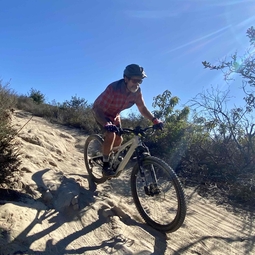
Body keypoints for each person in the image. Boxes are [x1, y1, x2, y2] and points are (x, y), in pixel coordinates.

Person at [92, 64, 163, 177]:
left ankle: (111, 158)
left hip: (115, 115)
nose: (137, 84)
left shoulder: (136, 91)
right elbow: (98, 109)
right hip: (101, 113)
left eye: (140, 81)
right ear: (126, 78)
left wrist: (154, 120)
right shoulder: (113, 88)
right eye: (135, 80)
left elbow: (142, 108)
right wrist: (106, 123)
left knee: (119, 138)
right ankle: (105, 164)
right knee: (111, 134)